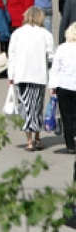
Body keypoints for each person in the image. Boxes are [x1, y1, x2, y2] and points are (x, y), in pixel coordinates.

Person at [8, 7, 54, 151]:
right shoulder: (45, 34)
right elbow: (51, 55)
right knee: (37, 106)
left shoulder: (17, 33)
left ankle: (28, 141)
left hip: (21, 75)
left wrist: (11, 76)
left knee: (26, 107)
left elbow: (12, 55)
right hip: (38, 75)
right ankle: (38, 137)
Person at [49, 23, 76, 154]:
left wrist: (53, 87)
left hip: (64, 85)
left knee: (66, 116)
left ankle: (70, 144)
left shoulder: (62, 48)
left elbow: (55, 69)